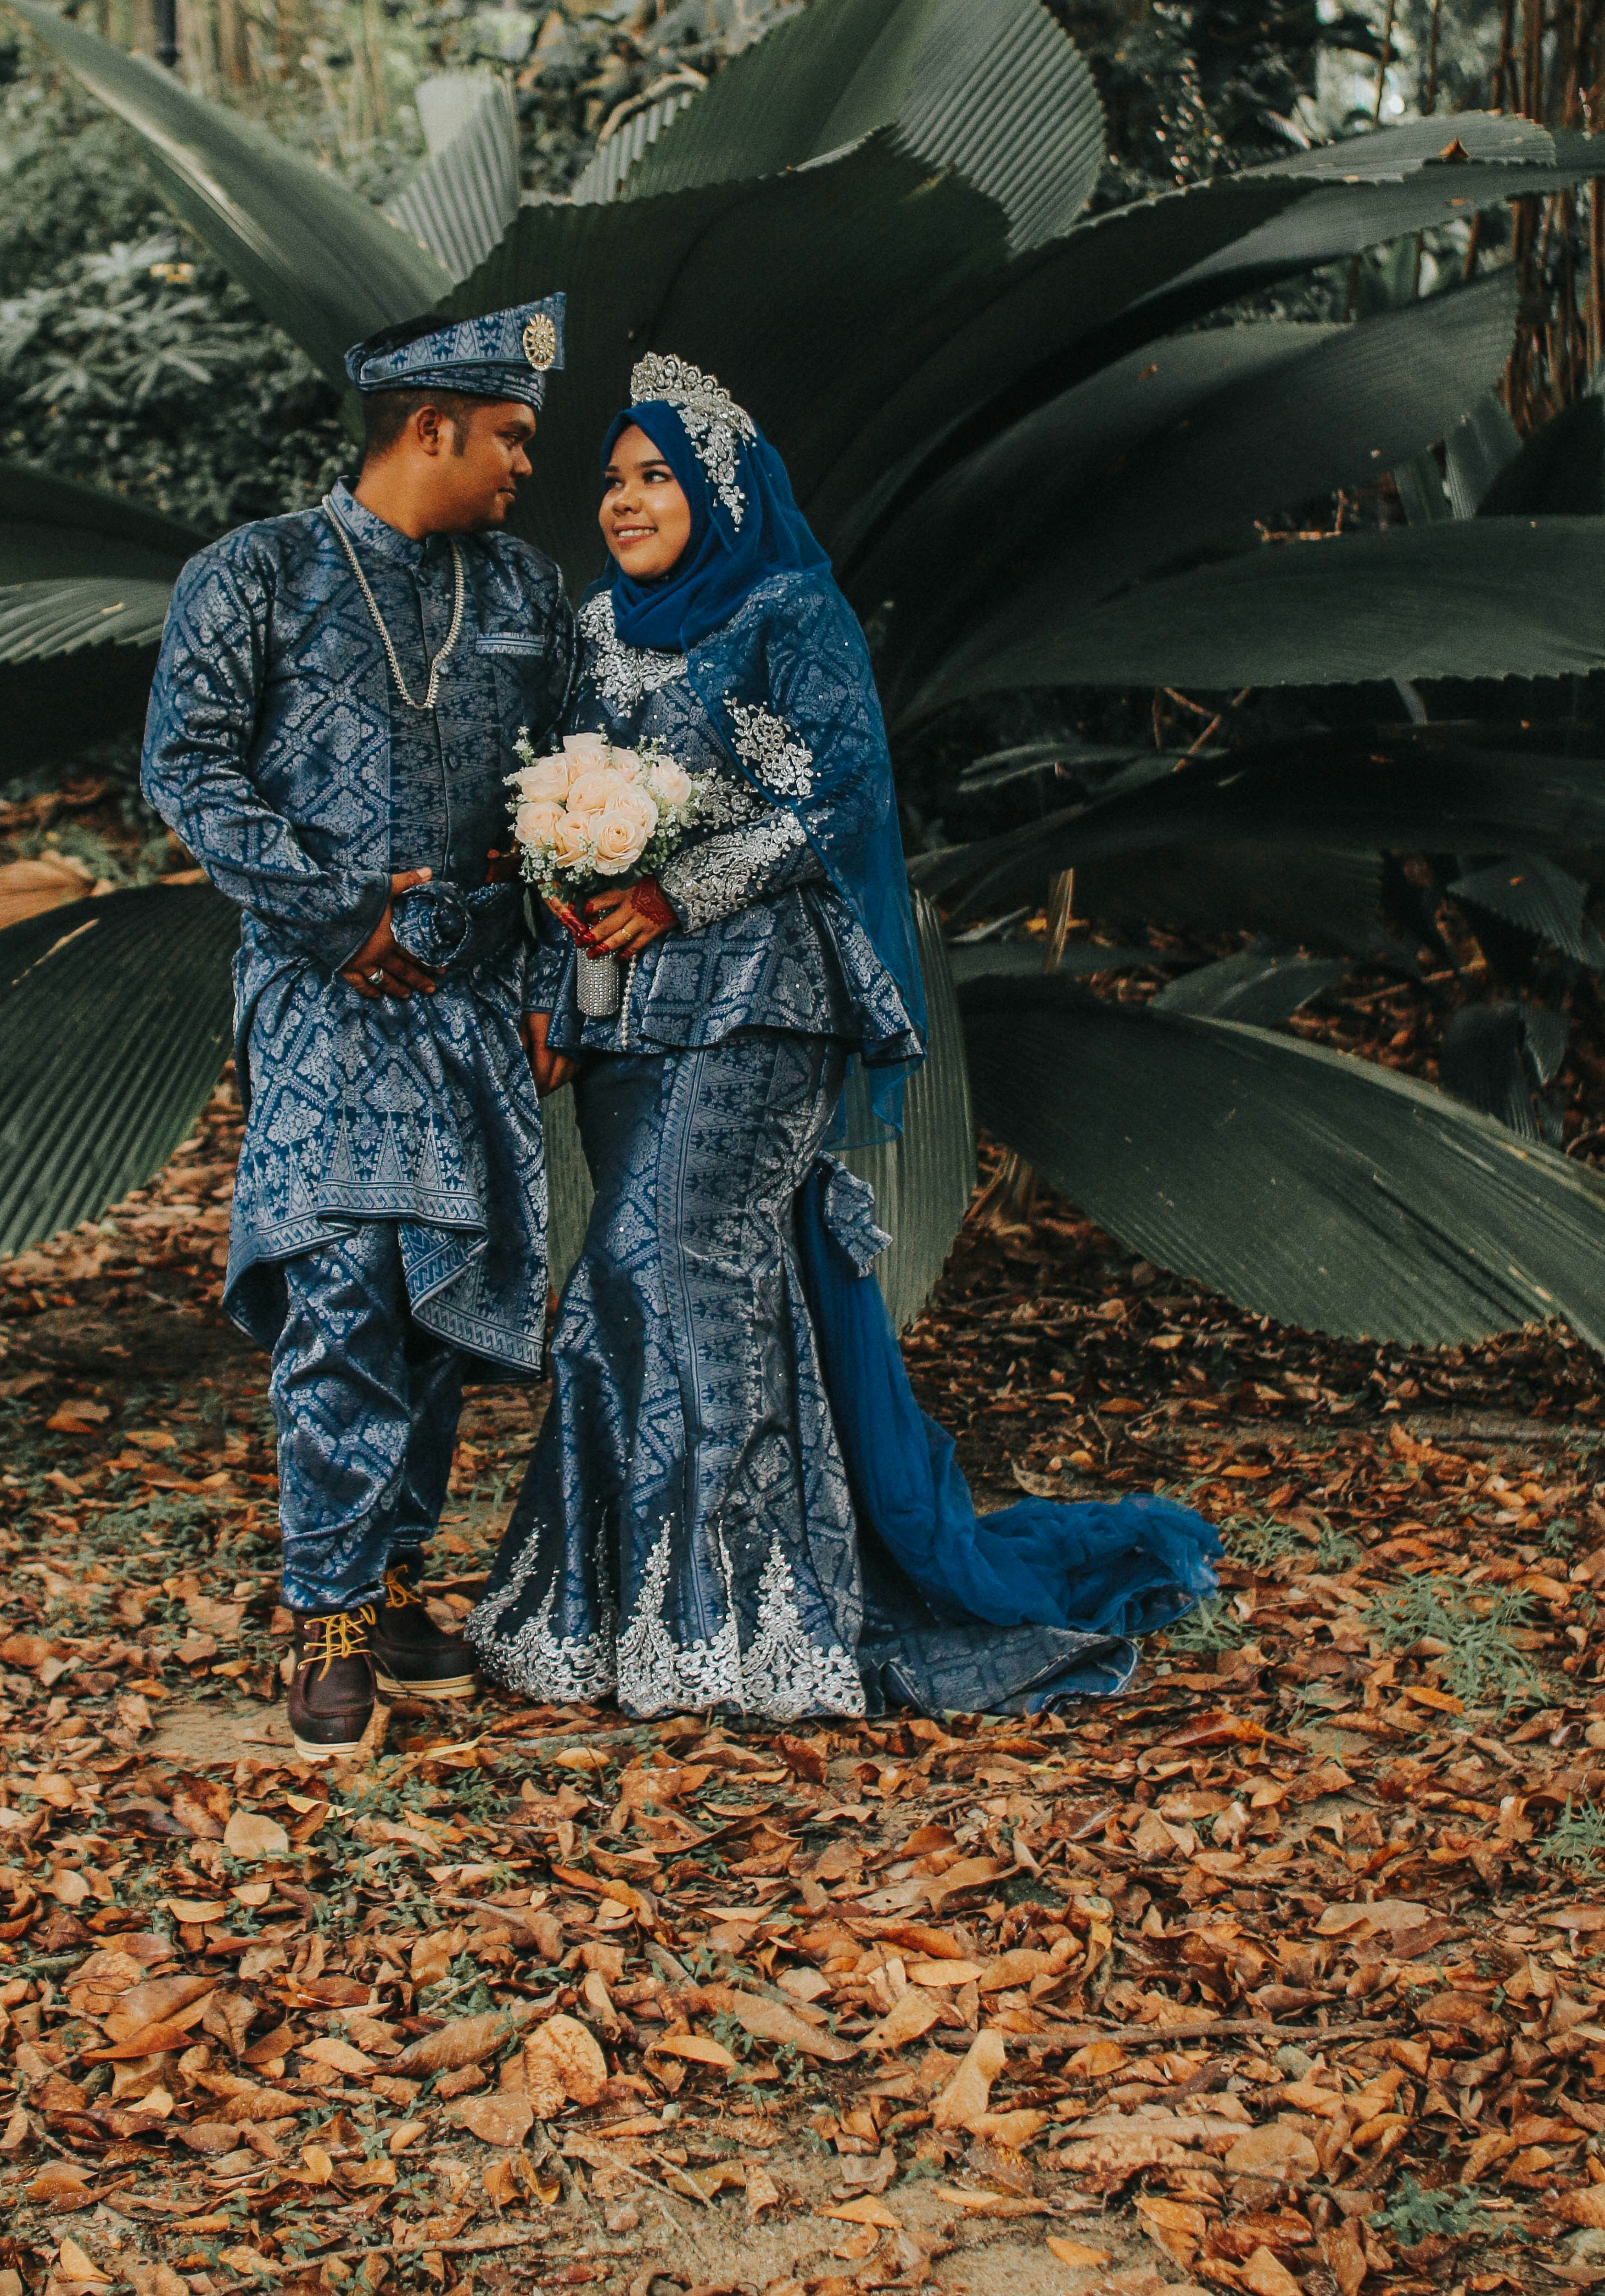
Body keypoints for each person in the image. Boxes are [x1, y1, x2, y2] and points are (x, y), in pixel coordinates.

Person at [468, 352, 1216, 1720]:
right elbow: (552, 822)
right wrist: (555, 990)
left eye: (656, 479)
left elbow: (840, 794)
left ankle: (750, 1621)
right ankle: (635, 1612)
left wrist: (674, 886)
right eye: (612, 482)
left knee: (665, 1269)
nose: (626, 502)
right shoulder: (596, 628)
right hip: (628, 1012)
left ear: (721, 490)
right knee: (677, 1283)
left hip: (766, 998)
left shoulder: (784, 611)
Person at [143, 296, 574, 1751]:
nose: (525, 465)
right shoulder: (250, 574)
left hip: (473, 997)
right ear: (430, 427)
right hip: (325, 988)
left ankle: (389, 1583)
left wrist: (545, 983)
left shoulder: (521, 586)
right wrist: (344, 912)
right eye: (509, 438)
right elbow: (189, 773)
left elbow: (566, 794)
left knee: (436, 1303)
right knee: (343, 1281)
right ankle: (322, 1620)